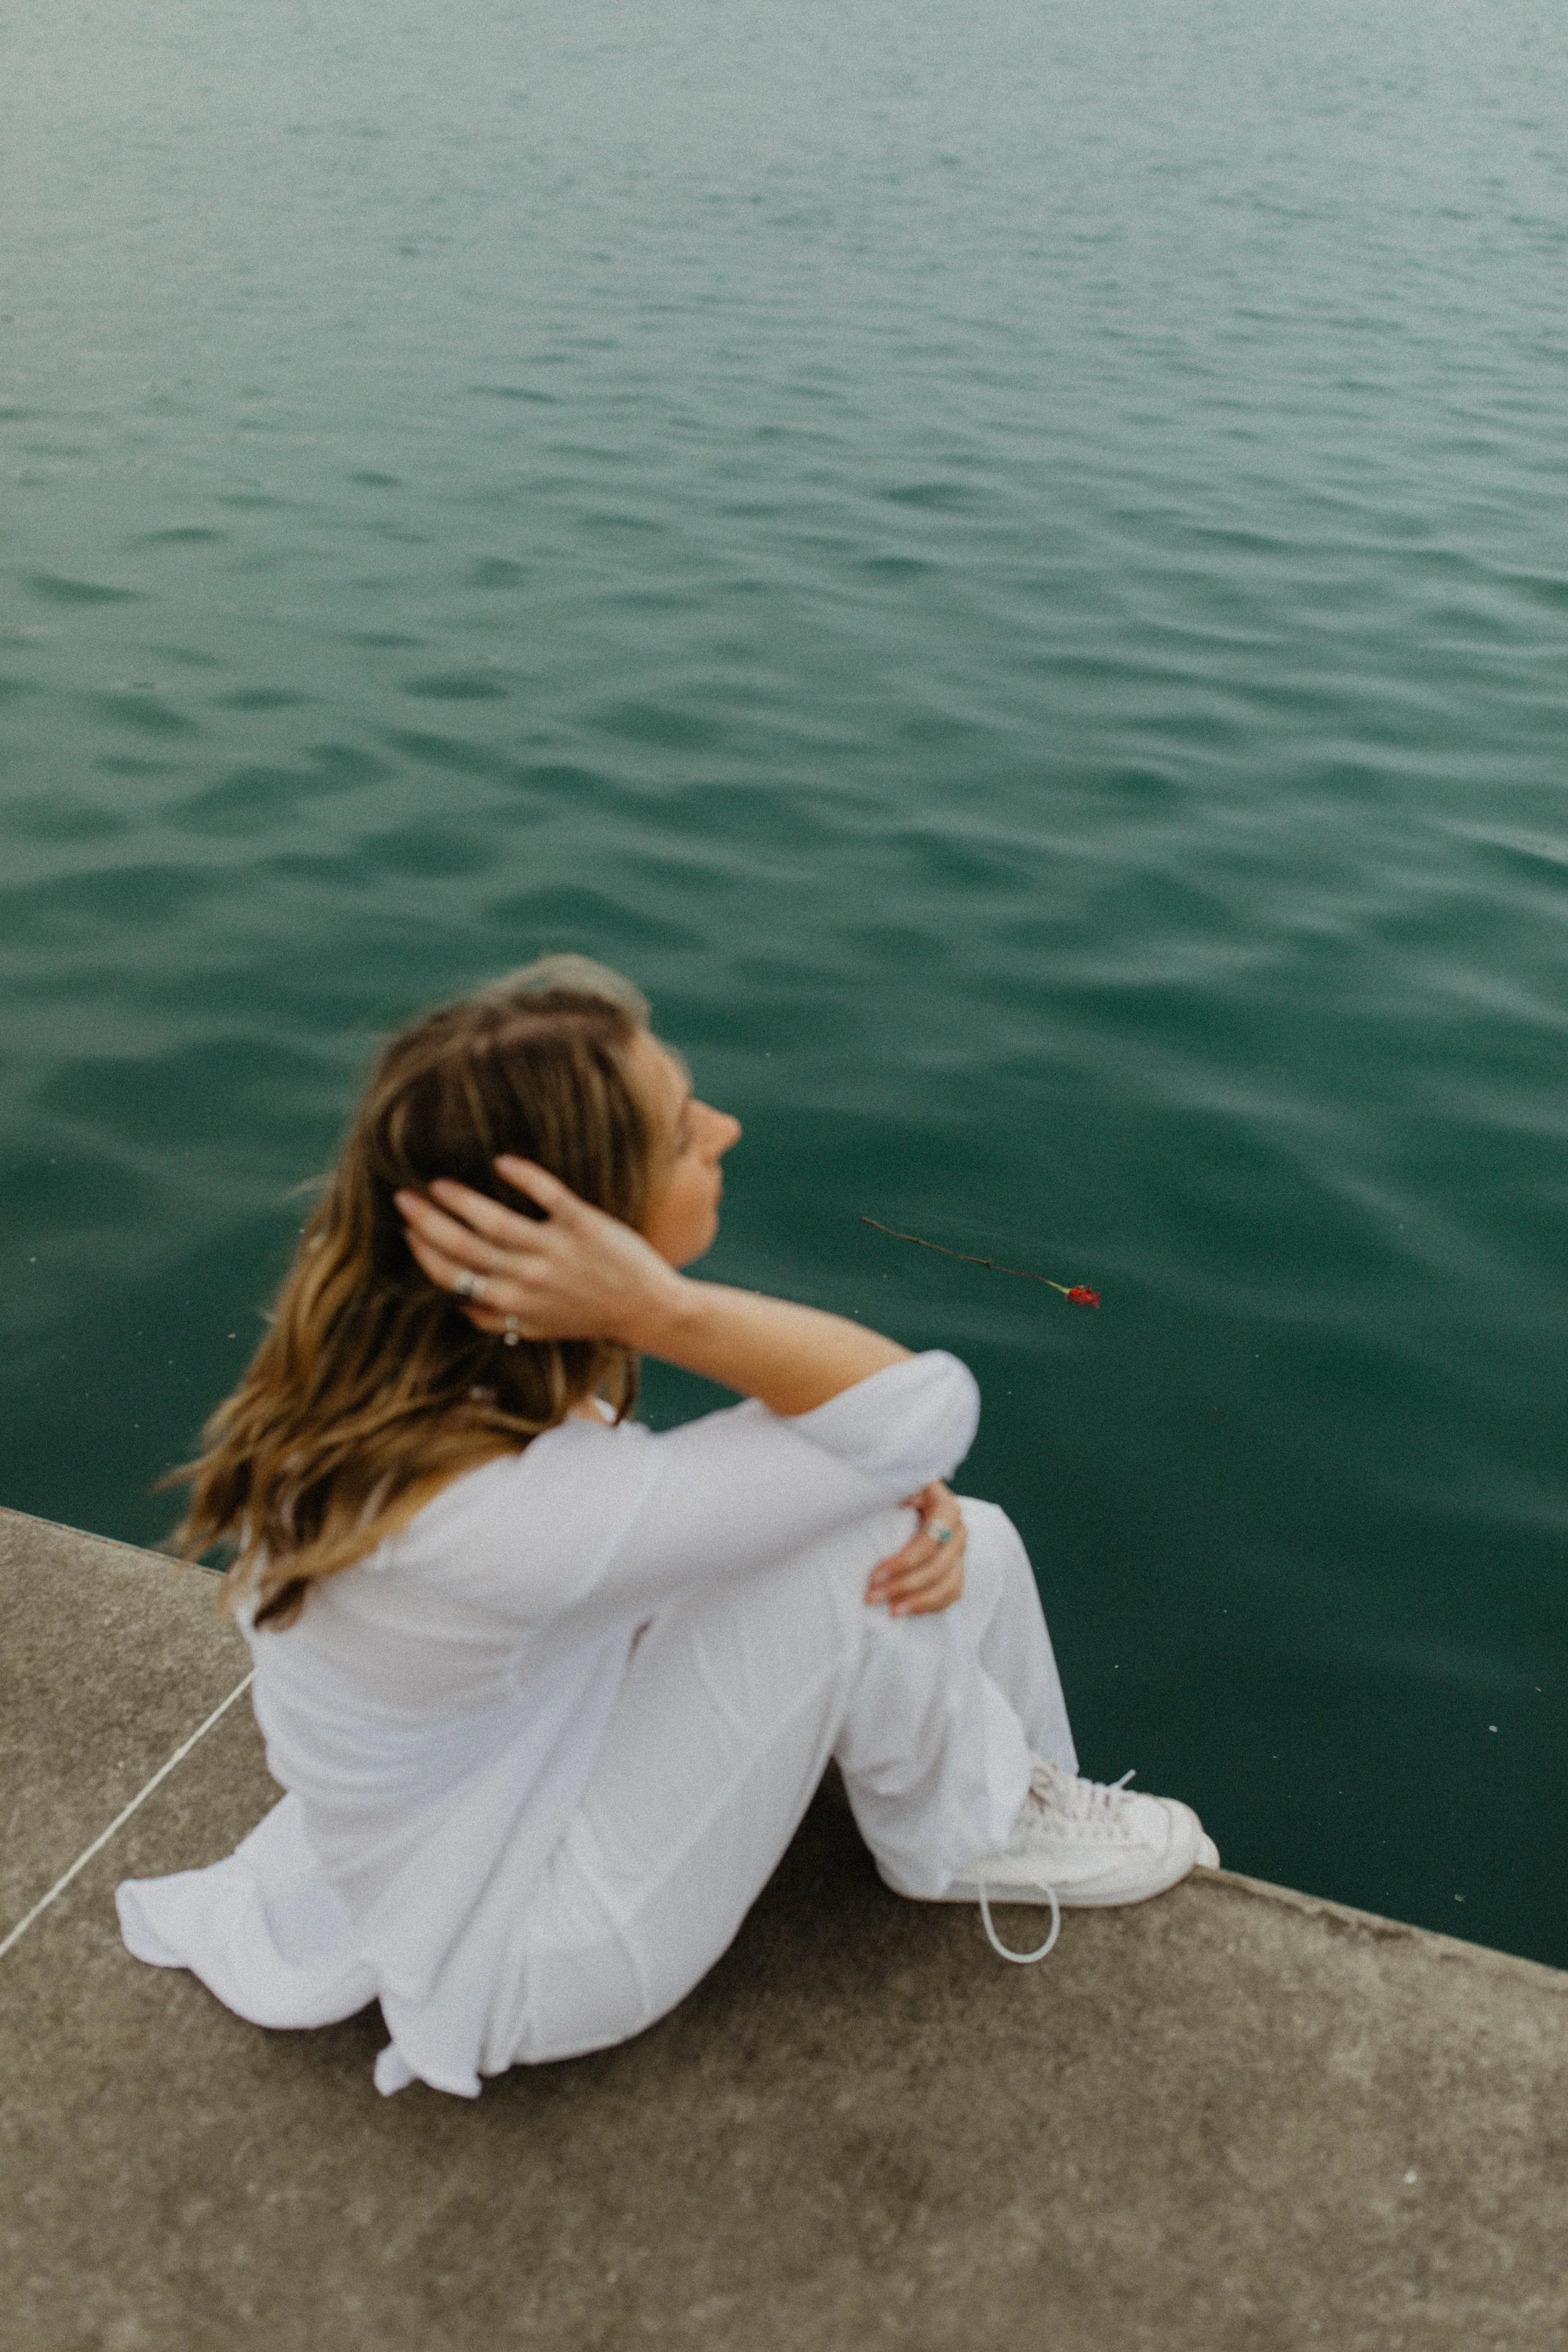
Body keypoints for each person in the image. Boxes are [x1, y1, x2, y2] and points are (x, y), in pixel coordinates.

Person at [118, 956, 1217, 2099]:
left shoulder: (398, 1334)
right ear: (579, 1228)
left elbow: (882, 1442)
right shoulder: (497, 1511)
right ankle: (960, 1838)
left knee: (966, 1535)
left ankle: (1005, 1789)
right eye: (687, 1134)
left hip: (497, 1770)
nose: (728, 1129)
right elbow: (924, 1411)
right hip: (528, 1941)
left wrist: (869, 1467)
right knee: (863, 1545)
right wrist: (663, 1309)